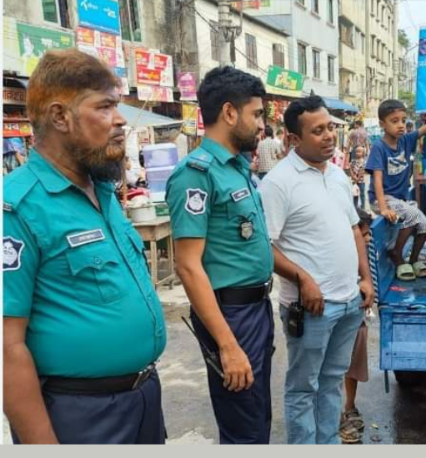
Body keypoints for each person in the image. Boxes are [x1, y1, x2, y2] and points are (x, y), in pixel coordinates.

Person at [3, 49, 167, 444]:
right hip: (83, 417)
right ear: (60, 117)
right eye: (106, 106)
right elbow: (7, 349)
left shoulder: (103, 192)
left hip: (143, 398)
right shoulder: (18, 207)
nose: (121, 119)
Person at [165, 66, 274, 444]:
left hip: (256, 309)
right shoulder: (197, 174)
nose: (262, 125)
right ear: (229, 113)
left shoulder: (239, 168)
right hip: (231, 316)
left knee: (258, 419)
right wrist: (227, 345)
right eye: (257, 114)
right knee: (243, 429)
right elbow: (188, 266)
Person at [259, 95, 375, 444]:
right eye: (317, 131)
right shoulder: (278, 183)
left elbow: (355, 229)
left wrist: (366, 279)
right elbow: (265, 247)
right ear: (294, 139)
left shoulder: (338, 175)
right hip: (311, 307)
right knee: (303, 387)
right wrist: (303, 278)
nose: (328, 136)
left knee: (332, 381)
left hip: (348, 301)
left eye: (330, 128)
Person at [365, 99, 426, 281]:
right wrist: (383, 207)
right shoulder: (379, 147)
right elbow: (377, 180)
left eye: (403, 120)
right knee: (412, 216)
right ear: (382, 124)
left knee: (425, 224)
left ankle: (412, 260)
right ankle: (396, 254)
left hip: (400, 200)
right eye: (394, 121)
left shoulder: (405, 140)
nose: (401, 125)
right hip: (383, 199)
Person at [339, 208, 373, 444]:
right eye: (365, 233)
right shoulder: (338, 252)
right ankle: (338, 414)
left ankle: (349, 408)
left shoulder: (364, 256)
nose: (369, 238)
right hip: (334, 312)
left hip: (356, 314)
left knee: (352, 364)